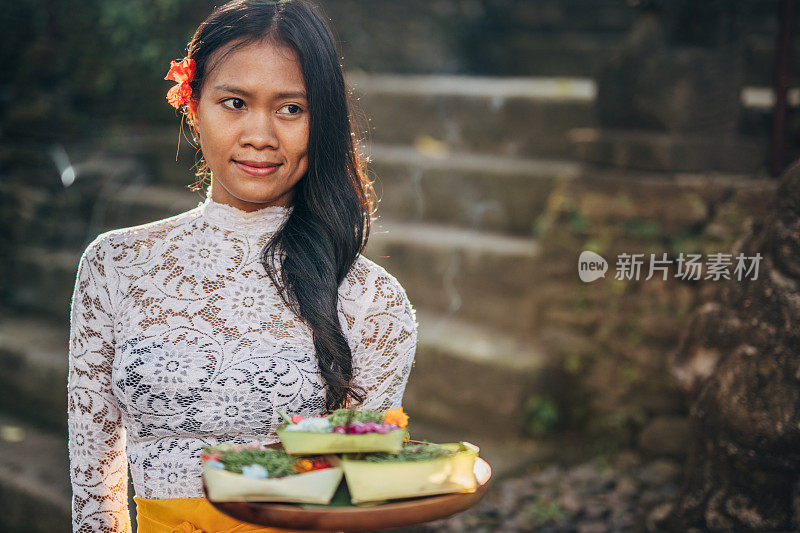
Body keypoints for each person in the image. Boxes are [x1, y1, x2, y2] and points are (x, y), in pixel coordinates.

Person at [67, 0, 418, 531]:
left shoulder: (373, 302)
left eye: (291, 109)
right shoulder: (115, 266)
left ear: (321, 121)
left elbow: (357, 495)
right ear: (192, 103)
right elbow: (95, 486)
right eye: (234, 102)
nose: (260, 135)